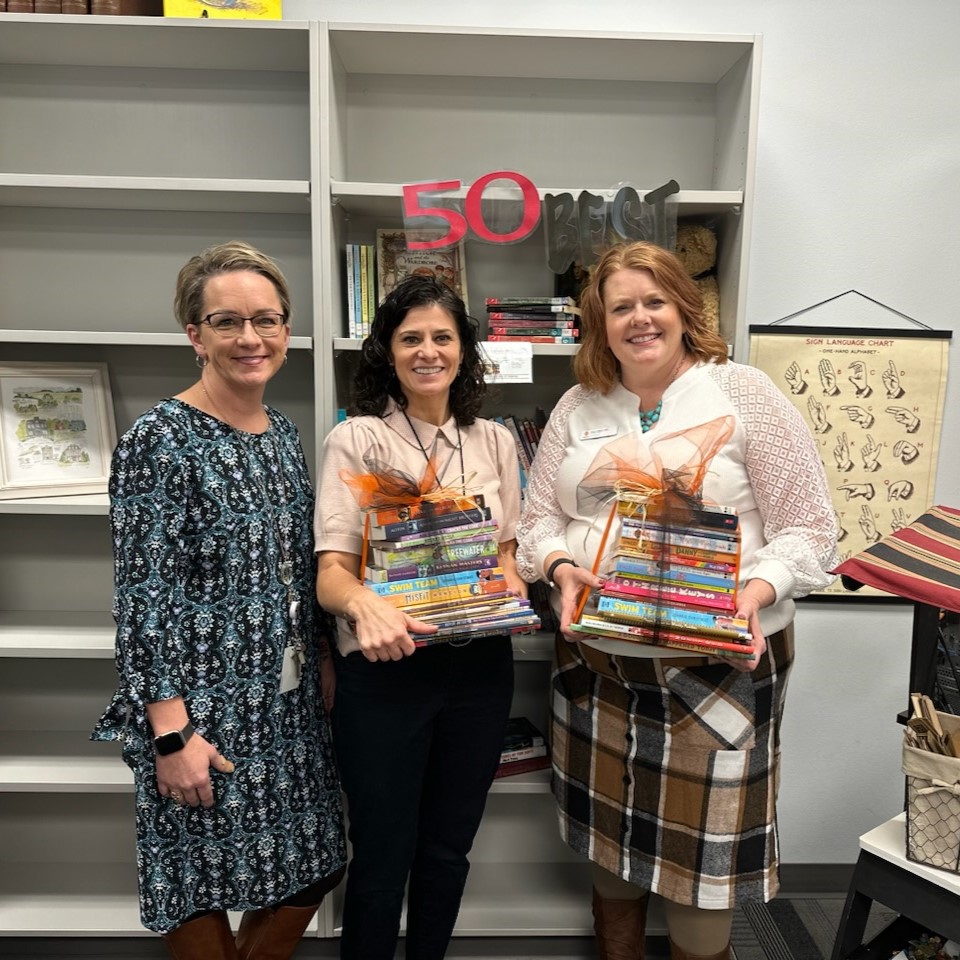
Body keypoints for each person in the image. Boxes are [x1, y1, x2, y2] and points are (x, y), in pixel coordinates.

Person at [515, 241, 838, 960]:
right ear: (598, 323)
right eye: (619, 307)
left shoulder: (743, 392)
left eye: (653, 301)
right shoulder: (578, 403)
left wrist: (753, 592)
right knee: (611, 863)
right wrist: (561, 568)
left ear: (685, 310)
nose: (638, 319)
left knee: (702, 890)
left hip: (714, 670)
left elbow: (812, 529)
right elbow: (536, 521)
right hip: (597, 670)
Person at [91, 241, 346, 959]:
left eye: (266, 320)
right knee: (196, 880)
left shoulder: (285, 436)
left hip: (285, 706)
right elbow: (142, 601)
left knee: (312, 867)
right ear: (194, 335)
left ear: (287, 332)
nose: (250, 338)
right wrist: (170, 736)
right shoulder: (158, 442)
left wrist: (320, 657)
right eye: (227, 321)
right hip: (197, 710)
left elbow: (296, 571)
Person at [314, 275, 525, 960]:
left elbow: (507, 556)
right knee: (381, 853)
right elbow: (331, 576)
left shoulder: (494, 441)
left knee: (448, 848)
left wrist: (517, 595)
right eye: (411, 339)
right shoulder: (357, 440)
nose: (428, 351)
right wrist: (366, 605)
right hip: (387, 672)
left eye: (442, 337)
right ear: (388, 350)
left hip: (479, 671)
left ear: (464, 350)